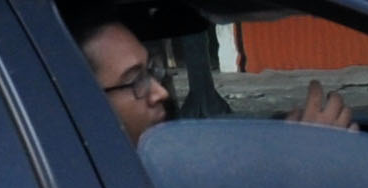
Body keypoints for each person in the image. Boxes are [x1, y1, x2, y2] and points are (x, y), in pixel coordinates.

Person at [78, 16, 349, 142]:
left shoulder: (147, 173)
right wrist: (311, 167)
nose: (160, 92)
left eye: (152, 70)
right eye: (135, 80)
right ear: (82, 103)